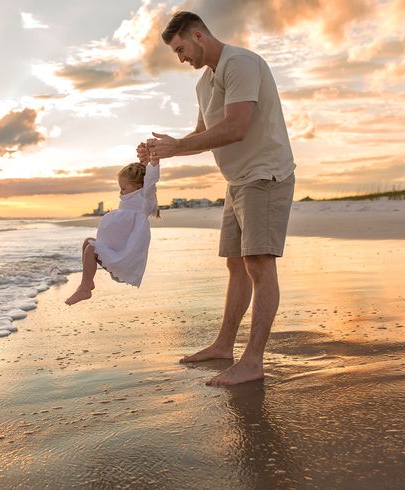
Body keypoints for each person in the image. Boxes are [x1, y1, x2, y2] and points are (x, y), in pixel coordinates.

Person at [140, 11, 296, 385]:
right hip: (237, 181)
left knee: (259, 263)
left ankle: (253, 360)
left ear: (198, 35)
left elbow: (236, 127)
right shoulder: (204, 84)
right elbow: (201, 134)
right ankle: (224, 345)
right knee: (235, 264)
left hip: (266, 174)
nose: (181, 58)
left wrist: (177, 147)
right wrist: (165, 149)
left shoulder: (239, 63)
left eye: (180, 49)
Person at [65, 146, 160, 306]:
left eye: (123, 188)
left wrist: (154, 160)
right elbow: (142, 175)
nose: (120, 192)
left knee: (91, 249)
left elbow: (150, 179)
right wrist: (143, 162)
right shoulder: (132, 196)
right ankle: (88, 282)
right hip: (118, 253)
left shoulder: (144, 199)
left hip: (126, 257)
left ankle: (85, 288)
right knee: (88, 242)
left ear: (138, 187)